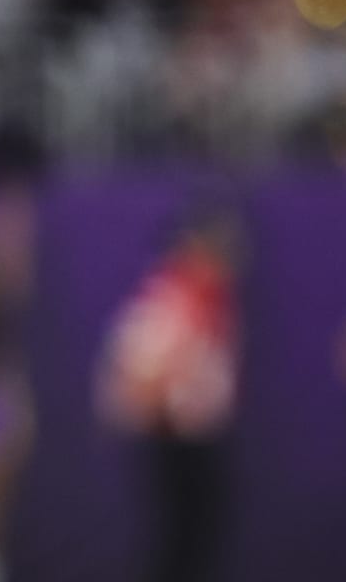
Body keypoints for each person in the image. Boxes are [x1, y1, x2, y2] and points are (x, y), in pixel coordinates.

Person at [98, 209, 240, 582]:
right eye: (215, 247)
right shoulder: (172, 298)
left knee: (198, 534)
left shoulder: (207, 298)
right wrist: (167, 406)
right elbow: (132, 376)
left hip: (195, 437)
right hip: (174, 439)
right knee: (180, 537)